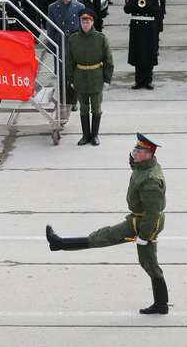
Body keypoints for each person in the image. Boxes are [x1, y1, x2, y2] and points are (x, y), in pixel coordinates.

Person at [46, 134, 168, 315]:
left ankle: (60, 244)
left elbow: (151, 212)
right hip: (139, 219)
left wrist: (144, 236)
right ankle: (161, 304)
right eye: (135, 150)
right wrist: (134, 162)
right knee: (147, 262)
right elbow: (140, 174)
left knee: (110, 240)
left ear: (148, 154)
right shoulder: (146, 167)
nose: (135, 153)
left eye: (139, 151)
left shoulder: (150, 180)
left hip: (144, 224)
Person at [65, 8, 114, 146]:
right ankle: (85, 135)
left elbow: (108, 60)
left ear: (92, 22)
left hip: (96, 77)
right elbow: (69, 62)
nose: (85, 24)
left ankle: (95, 135)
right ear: (80, 22)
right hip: (80, 77)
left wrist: (107, 79)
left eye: (88, 21)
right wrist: (71, 79)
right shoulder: (73, 39)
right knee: (84, 108)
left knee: (96, 108)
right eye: (83, 21)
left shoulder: (100, 38)